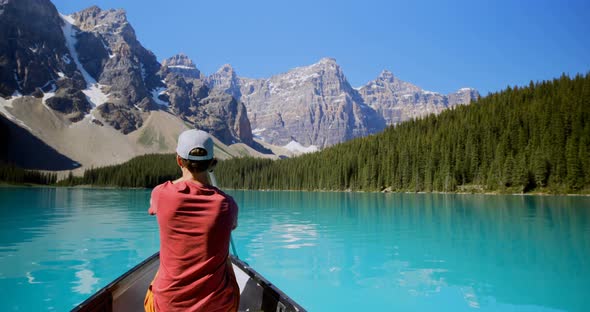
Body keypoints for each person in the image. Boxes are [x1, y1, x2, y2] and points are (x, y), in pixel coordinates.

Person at [144, 129, 239, 312]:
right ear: (212, 163)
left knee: (158, 275)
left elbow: (154, 206)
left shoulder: (160, 194)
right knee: (226, 263)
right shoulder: (228, 205)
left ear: (179, 160)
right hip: (218, 307)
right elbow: (232, 225)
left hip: (167, 307)